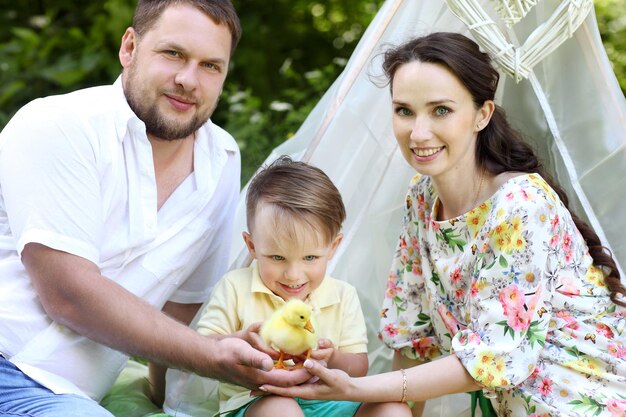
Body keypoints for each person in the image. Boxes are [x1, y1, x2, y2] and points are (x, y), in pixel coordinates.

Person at [257, 32, 626, 417]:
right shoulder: (422, 199)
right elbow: (414, 338)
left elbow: (494, 356)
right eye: (404, 111)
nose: (418, 133)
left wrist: (355, 388)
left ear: (482, 114)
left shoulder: (520, 205)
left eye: (441, 110)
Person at [0, 1, 310, 416]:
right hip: (10, 365)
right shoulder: (59, 125)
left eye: (210, 66)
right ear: (129, 47)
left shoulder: (221, 159)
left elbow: (180, 309)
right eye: (173, 54)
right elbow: (68, 294)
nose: (188, 80)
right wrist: (207, 356)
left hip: (72, 397)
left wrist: (178, 394)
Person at [164, 156, 411, 417]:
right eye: (278, 258)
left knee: (393, 410)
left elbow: (359, 366)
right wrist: (240, 340)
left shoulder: (342, 295)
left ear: (332, 248)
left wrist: (332, 358)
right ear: (252, 247)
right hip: (256, 402)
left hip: (328, 402)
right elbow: (203, 345)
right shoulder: (236, 286)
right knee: (282, 410)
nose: (293, 275)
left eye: (310, 258)